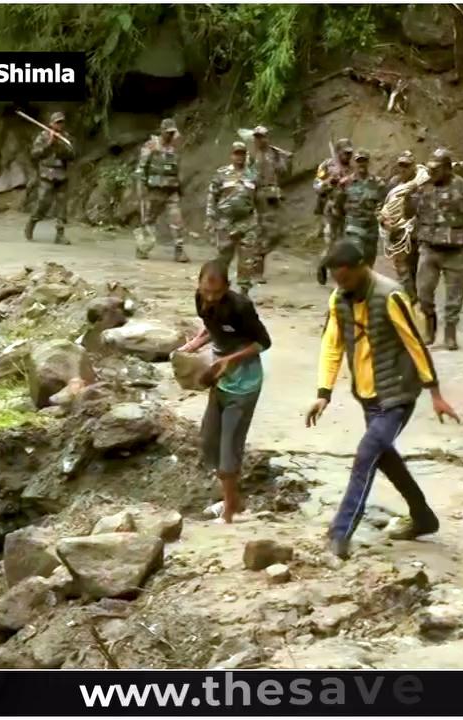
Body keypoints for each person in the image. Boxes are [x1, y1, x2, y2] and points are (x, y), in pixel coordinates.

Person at [306, 241, 462, 560]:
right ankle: (422, 517)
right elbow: (332, 346)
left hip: (398, 394)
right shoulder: (339, 300)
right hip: (367, 394)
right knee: (384, 457)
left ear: (362, 267)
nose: (342, 286)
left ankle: (341, 532)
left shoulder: (390, 295)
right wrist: (324, 393)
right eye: (338, 280)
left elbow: (415, 342)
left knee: (366, 454)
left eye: (346, 279)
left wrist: (434, 392)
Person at [176, 260, 272, 524]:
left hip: (244, 383)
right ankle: (234, 501)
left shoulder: (241, 307)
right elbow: (211, 325)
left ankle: (230, 511)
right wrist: (195, 343)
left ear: (227, 288)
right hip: (219, 379)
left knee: (229, 447)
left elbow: (264, 343)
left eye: (216, 294)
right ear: (199, 285)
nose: (210, 298)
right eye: (206, 292)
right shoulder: (201, 299)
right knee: (209, 440)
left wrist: (232, 359)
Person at [412, 148, 463, 350]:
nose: (432, 173)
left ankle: (450, 335)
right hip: (429, 248)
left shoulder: (462, 186)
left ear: (446, 168)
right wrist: (409, 197)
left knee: (455, 296)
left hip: (454, 250)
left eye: (436, 169)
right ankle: (429, 328)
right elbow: (410, 213)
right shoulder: (422, 186)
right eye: (430, 169)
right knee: (423, 293)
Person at [207, 142, 261, 295]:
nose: (239, 157)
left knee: (247, 258)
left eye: (242, 154)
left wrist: (259, 219)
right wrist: (210, 217)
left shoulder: (253, 175)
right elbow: (212, 196)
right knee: (223, 256)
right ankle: (219, 287)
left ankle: (244, 291)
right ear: (231, 155)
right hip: (226, 222)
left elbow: (259, 199)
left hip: (247, 221)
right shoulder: (222, 173)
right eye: (236, 153)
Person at [133, 118, 190, 263]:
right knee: (148, 221)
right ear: (162, 131)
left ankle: (179, 250)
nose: (170, 135)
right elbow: (141, 169)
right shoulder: (151, 146)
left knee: (177, 221)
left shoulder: (174, 148)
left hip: (171, 191)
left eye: (172, 133)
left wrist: (180, 188)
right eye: (168, 133)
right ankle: (142, 248)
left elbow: (177, 170)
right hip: (154, 191)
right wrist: (140, 189)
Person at [246, 125, 290, 285]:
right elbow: (245, 177)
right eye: (257, 137)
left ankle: (254, 260)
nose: (260, 140)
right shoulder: (251, 156)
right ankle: (257, 270)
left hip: (273, 196)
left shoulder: (274, 154)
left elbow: (284, 173)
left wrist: (283, 160)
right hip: (257, 197)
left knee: (280, 231)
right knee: (260, 232)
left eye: (262, 136)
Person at [25, 111, 76, 245]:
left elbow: (72, 155)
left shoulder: (66, 138)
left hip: (62, 174)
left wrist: (59, 145)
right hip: (46, 174)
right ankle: (32, 223)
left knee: (61, 205)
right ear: (51, 123)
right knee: (43, 203)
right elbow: (35, 154)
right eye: (57, 122)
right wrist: (50, 143)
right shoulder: (42, 136)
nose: (60, 125)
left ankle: (60, 234)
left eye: (62, 122)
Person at [334, 149, 389, 267]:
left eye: (364, 161)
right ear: (355, 163)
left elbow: (385, 204)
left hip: (371, 229)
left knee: (368, 263)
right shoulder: (346, 183)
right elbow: (338, 205)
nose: (362, 164)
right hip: (353, 226)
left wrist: (381, 218)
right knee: (354, 258)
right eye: (359, 161)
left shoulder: (378, 183)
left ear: (368, 163)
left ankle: (366, 283)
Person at [313, 138, 354, 284]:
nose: (348, 156)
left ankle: (341, 275)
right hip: (331, 211)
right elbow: (317, 187)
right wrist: (330, 181)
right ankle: (323, 265)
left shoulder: (353, 168)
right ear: (338, 152)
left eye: (349, 153)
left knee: (345, 244)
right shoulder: (327, 166)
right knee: (331, 244)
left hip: (348, 212)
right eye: (345, 153)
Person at [383, 151, 421, 299]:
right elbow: (383, 206)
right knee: (404, 274)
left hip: (417, 235)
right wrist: (384, 220)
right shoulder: (393, 184)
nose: (403, 168)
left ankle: (416, 301)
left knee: (416, 273)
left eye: (407, 165)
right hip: (398, 235)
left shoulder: (421, 183)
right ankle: (410, 301)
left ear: (413, 166)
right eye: (401, 165)